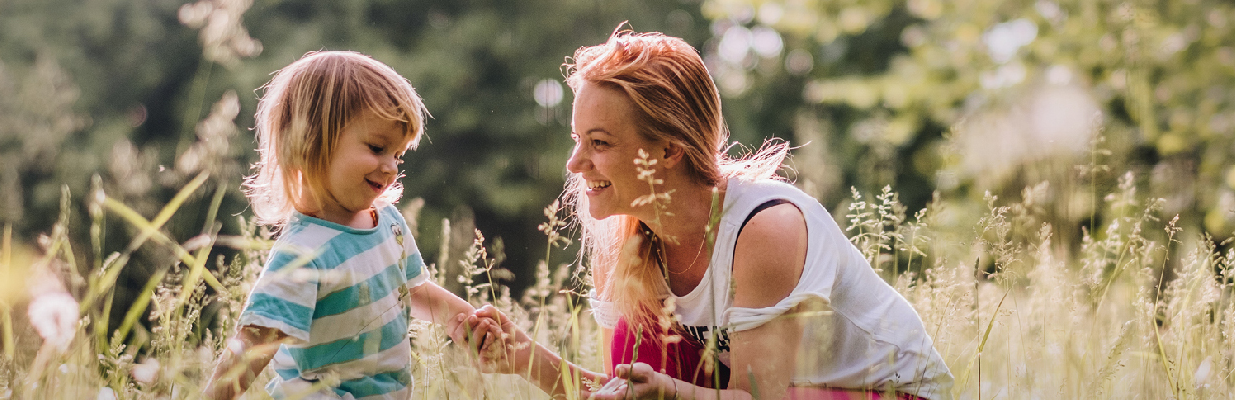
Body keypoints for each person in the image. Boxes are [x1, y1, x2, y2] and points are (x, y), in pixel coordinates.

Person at [460, 29, 954, 400]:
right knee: (642, 329)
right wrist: (524, 358)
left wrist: (673, 393)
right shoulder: (626, 247)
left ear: (670, 150)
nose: (575, 163)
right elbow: (625, 392)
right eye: (577, 139)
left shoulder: (765, 229)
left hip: (892, 394)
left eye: (600, 143)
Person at [203, 51, 503, 400]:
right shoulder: (304, 252)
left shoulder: (387, 223)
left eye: (398, 155)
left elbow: (413, 290)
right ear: (308, 143)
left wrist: (463, 318)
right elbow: (253, 345)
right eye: (377, 148)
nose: (391, 167)